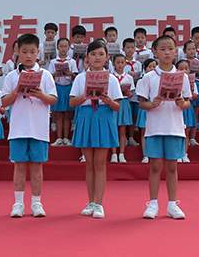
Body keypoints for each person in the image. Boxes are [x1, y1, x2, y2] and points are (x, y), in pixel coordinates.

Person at [1, 33, 57, 217]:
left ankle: (36, 203)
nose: (28, 55)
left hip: (39, 128)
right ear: (17, 51)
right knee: (19, 166)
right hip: (18, 128)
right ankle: (18, 204)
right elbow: (4, 102)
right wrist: (17, 90)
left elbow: (53, 99)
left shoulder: (46, 75)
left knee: (36, 166)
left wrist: (40, 95)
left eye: (32, 51)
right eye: (24, 51)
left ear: (38, 53)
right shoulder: (11, 76)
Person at [137, 35, 190, 220]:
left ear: (176, 51)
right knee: (155, 166)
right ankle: (152, 203)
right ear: (155, 52)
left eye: (170, 49)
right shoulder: (149, 78)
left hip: (175, 127)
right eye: (163, 49)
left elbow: (187, 103)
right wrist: (153, 104)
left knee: (172, 167)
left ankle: (172, 204)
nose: (167, 52)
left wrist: (182, 102)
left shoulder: (182, 77)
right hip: (154, 128)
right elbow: (142, 103)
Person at [70, 40, 122, 219]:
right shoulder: (80, 78)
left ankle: (99, 204)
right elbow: (71, 102)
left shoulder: (112, 79)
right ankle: (90, 201)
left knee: (100, 163)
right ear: (87, 58)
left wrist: (108, 100)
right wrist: (84, 94)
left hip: (103, 116)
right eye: (93, 54)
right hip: (86, 117)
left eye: (101, 54)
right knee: (89, 163)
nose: (97, 57)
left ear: (107, 57)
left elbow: (118, 107)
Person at [48, 38, 78, 146]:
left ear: (69, 48)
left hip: (68, 88)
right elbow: (49, 76)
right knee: (59, 114)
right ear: (57, 47)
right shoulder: (53, 62)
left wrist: (70, 73)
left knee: (67, 114)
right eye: (61, 46)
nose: (63, 49)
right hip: (57, 88)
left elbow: (76, 76)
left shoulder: (72, 61)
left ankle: (66, 138)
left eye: (65, 46)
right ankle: (59, 138)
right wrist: (55, 74)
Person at [110, 54, 135, 164]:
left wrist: (128, 93)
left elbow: (132, 94)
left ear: (125, 64)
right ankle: (114, 153)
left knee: (122, 130)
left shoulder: (129, 77)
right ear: (114, 64)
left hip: (124, 103)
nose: (120, 65)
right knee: (113, 129)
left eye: (122, 62)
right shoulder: (110, 77)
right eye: (117, 62)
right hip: (113, 102)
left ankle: (122, 153)